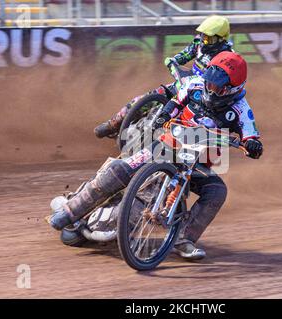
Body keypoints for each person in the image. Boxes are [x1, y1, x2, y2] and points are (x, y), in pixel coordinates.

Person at [50, 51, 264, 260]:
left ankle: (183, 239)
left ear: (232, 89)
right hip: (167, 144)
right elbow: (175, 103)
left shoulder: (242, 110)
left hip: (198, 163)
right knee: (120, 169)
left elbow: (251, 135)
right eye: (209, 81)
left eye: (217, 86)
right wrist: (164, 116)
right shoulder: (194, 84)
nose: (210, 87)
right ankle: (71, 211)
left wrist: (252, 145)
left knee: (217, 191)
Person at [93, 15, 234, 139]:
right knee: (144, 99)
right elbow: (185, 55)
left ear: (221, 39)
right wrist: (174, 61)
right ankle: (113, 124)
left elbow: (229, 85)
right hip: (183, 84)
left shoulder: (228, 57)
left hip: (202, 98)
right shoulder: (199, 43)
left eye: (208, 38)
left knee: (188, 128)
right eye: (203, 35)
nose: (204, 40)